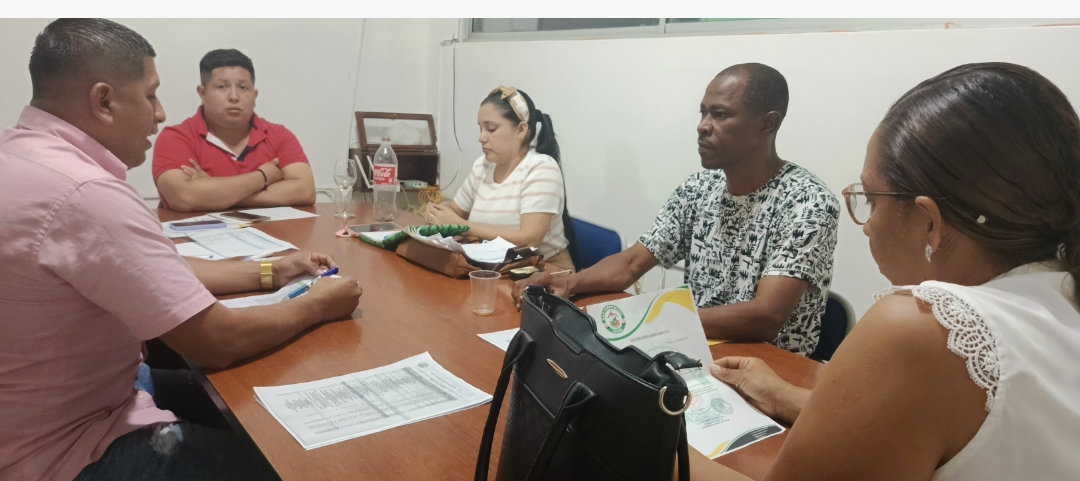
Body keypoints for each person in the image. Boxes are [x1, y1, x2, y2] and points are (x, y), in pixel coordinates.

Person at [0, 19, 363, 481]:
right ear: (104, 101)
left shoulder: (20, 153)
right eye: (150, 95)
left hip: (69, 397)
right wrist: (318, 304)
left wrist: (272, 270)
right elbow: (218, 343)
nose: (160, 113)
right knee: (285, 461)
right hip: (62, 448)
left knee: (234, 399)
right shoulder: (85, 192)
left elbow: (155, 268)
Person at [691, 62, 1080, 480]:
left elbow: (767, 313)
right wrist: (784, 395)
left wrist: (658, 436)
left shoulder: (921, 325)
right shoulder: (1059, 293)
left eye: (871, 200)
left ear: (929, 222)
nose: (867, 225)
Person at [512, 64, 839, 356]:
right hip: (696, 347)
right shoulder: (699, 188)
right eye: (703, 113)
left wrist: (651, 320)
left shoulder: (808, 203)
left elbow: (766, 316)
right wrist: (569, 284)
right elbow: (632, 263)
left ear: (768, 124)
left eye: (720, 115)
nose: (702, 126)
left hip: (772, 369)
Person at [426, 86, 577, 272]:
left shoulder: (541, 168)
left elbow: (530, 241)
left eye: (491, 129)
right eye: (480, 129)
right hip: (495, 266)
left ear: (521, 130)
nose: (481, 137)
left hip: (543, 270)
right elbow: (454, 212)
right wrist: (436, 214)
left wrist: (461, 226)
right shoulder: (482, 166)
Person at [152, 48, 316, 212]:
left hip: (270, 229)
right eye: (222, 87)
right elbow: (184, 197)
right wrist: (263, 176)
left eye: (243, 88)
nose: (234, 97)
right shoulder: (176, 137)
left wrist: (215, 195)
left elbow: (305, 191)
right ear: (202, 93)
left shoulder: (279, 135)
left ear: (255, 95)